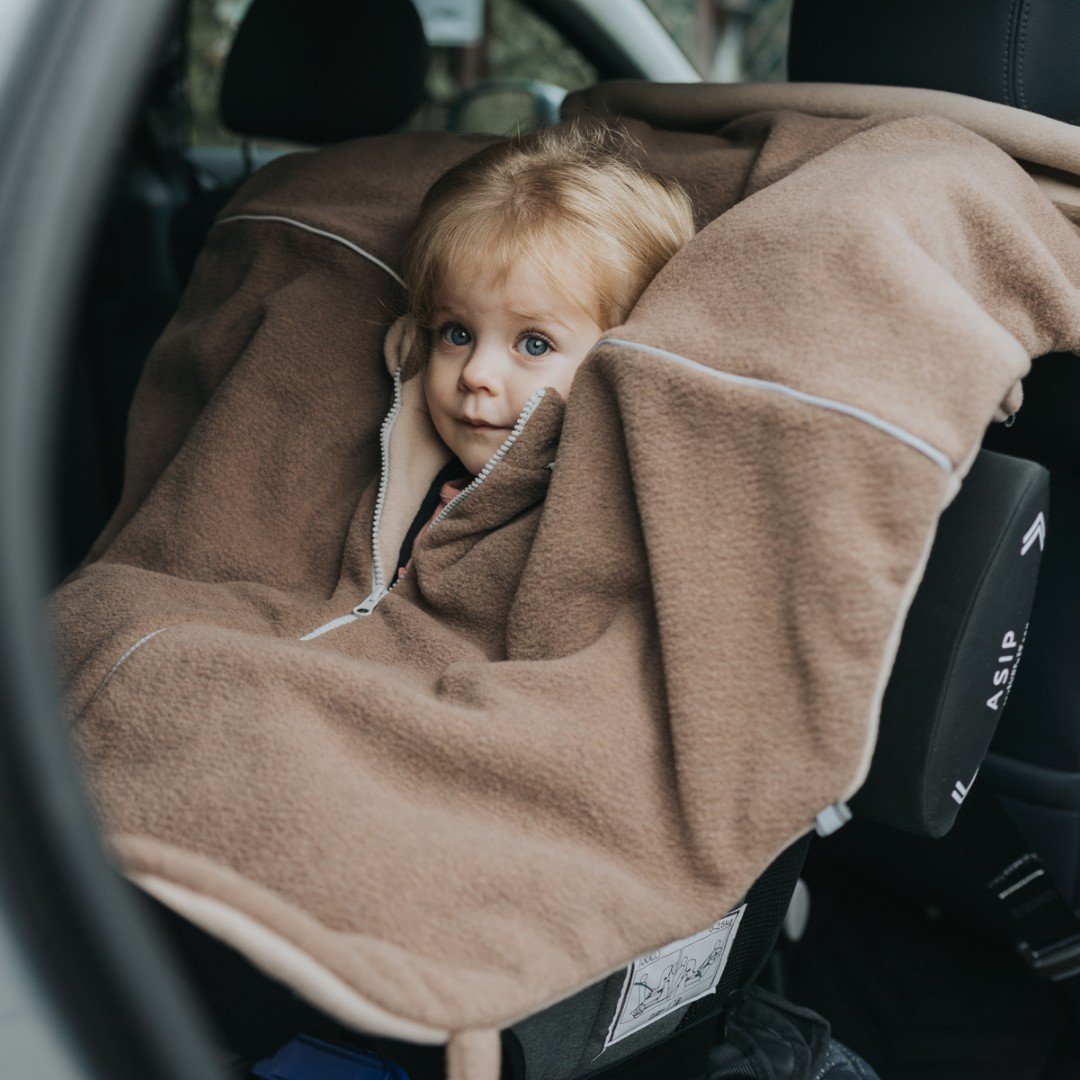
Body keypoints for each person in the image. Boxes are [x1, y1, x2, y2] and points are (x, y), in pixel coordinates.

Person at [390, 118, 697, 579]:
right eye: (457, 334)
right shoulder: (416, 470)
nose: (476, 374)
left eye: (534, 344)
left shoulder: (596, 516)